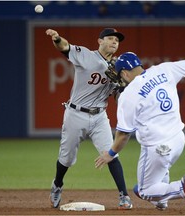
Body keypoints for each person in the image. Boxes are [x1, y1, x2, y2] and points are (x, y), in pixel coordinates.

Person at [95, 40, 185, 210]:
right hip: (178, 140)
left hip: (157, 148)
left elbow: (123, 135)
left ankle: (183, 188)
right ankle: (161, 201)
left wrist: (110, 153)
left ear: (124, 74)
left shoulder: (129, 94)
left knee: (143, 190)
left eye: (120, 75)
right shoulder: (164, 69)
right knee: (157, 185)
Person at [45, 28, 132, 210]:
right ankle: (57, 185)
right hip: (76, 114)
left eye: (117, 40)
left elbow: (117, 96)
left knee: (111, 153)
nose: (114, 42)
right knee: (66, 159)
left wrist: (122, 86)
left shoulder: (118, 67)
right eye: (110, 38)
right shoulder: (86, 55)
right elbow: (65, 47)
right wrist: (57, 38)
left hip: (100, 116)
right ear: (100, 41)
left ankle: (124, 196)